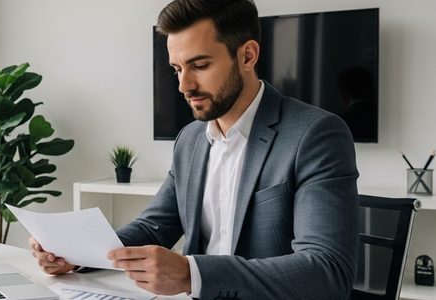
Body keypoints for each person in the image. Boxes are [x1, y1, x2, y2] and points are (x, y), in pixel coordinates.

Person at [29, 0, 359, 299]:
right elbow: (154, 227)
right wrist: (75, 255)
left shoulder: (315, 135)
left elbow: (327, 271)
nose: (184, 85)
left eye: (199, 65)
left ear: (247, 55)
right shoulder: (191, 139)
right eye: (177, 69)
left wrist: (192, 274)